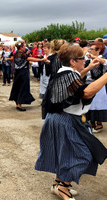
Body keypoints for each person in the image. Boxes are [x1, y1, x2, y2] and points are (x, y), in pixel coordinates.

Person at [35, 43, 107, 200]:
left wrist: (87, 69)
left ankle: (57, 184)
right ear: (73, 61)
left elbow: (74, 83)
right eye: (82, 58)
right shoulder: (69, 75)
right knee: (84, 155)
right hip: (65, 120)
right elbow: (86, 92)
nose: (85, 61)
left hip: (58, 118)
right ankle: (63, 187)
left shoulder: (63, 73)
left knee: (64, 154)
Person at [9, 41, 46, 111]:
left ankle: (18, 103)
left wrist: (26, 54)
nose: (25, 48)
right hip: (23, 73)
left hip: (17, 73)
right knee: (22, 88)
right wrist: (41, 59)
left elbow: (22, 58)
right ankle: (19, 104)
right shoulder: (22, 54)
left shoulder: (16, 53)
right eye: (24, 46)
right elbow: (29, 59)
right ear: (21, 47)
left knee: (17, 87)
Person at [85, 44, 107, 133]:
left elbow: (105, 63)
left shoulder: (102, 60)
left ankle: (99, 122)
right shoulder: (87, 60)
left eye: (93, 49)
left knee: (99, 104)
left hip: (99, 84)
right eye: (90, 49)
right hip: (89, 83)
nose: (90, 50)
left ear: (98, 50)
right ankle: (92, 122)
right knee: (91, 104)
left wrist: (94, 57)